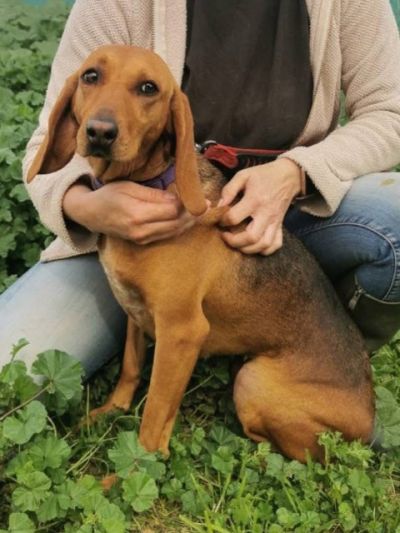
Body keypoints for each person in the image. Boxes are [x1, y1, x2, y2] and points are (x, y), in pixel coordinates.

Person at [1, 0, 400, 374]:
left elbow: (391, 112)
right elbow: (49, 142)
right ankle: (168, 321)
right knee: (11, 362)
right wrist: (87, 207)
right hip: (130, 231)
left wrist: (295, 172)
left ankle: (314, 356)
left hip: (293, 219)